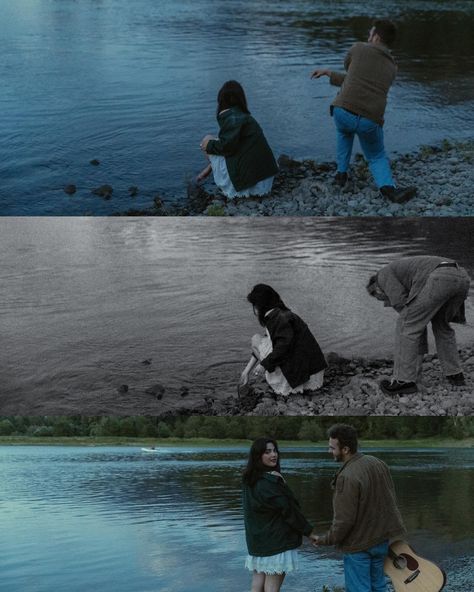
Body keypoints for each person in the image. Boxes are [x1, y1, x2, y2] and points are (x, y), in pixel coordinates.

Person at [311, 19, 417, 204]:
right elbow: (360, 80)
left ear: (375, 36)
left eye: (370, 34)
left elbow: (352, 75)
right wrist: (329, 73)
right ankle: (389, 189)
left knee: (344, 133)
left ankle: (341, 175)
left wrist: (330, 72)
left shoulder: (358, 48)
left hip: (342, 111)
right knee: (376, 156)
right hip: (370, 119)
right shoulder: (393, 67)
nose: (368, 37)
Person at [312, 424, 406, 592]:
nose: (329, 451)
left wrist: (325, 539)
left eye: (332, 448)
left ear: (346, 449)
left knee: (359, 589)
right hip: (380, 541)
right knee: (379, 586)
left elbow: (343, 521)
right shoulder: (378, 463)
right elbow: (389, 500)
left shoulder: (347, 477)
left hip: (358, 546)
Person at [367, 255, 470, 395]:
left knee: (406, 325)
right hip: (462, 277)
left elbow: (400, 304)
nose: (385, 302)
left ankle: (403, 381)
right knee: (442, 327)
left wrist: (410, 318)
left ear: (376, 289)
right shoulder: (403, 273)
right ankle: (455, 374)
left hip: (440, 277)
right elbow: (417, 321)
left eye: (381, 298)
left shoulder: (383, 276)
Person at [243, 438, 315, 592]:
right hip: (277, 542)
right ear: (258, 456)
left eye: (274, 450)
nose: (273, 455)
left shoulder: (250, 480)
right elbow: (289, 509)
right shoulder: (270, 482)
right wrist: (309, 532)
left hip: (258, 542)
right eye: (267, 452)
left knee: (257, 586)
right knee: (271, 588)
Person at [240, 284, 327, 396]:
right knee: (262, 340)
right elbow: (274, 343)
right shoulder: (282, 314)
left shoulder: (277, 319)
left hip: (300, 380)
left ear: (259, 306)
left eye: (254, 306)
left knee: (256, 339)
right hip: (313, 373)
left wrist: (264, 365)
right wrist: (246, 371)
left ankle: (282, 383)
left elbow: (283, 348)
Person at [198, 80, 279, 198]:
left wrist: (207, 146)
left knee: (207, 139)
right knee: (217, 143)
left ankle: (224, 181)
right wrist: (210, 166)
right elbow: (235, 147)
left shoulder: (232, 117)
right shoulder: (246, 117)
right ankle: (211, 168)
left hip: (249, 188)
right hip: (265, 182)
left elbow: (227, 147)